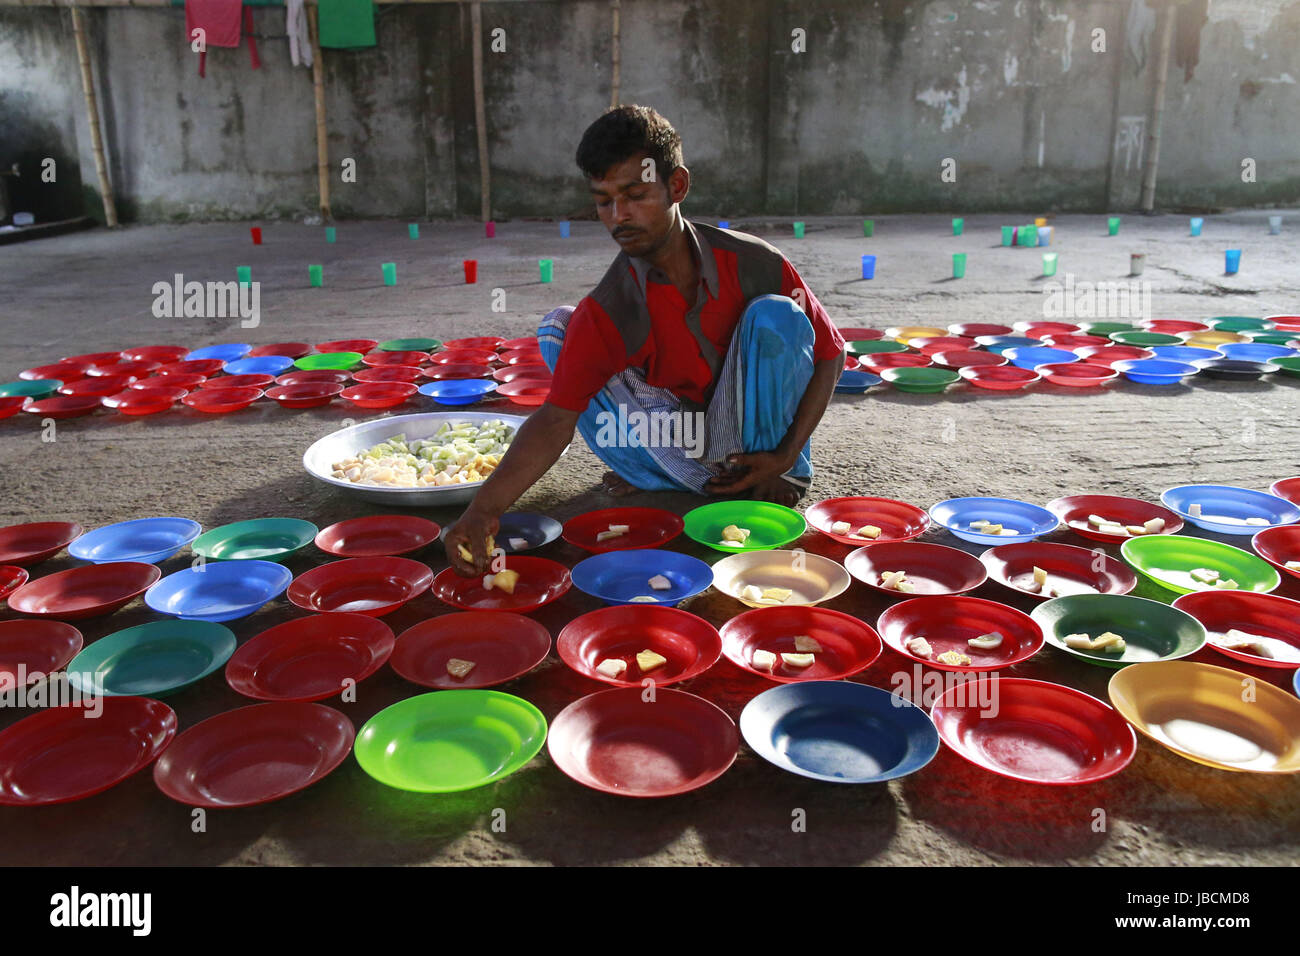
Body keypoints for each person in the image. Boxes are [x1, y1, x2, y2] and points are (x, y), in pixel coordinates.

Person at [445, 104, 845, 575]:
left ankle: (761, 476)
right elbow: (555, 420)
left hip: (761, 447)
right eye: (603, 201)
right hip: (688, 434)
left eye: (635, 195)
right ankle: (668, 472)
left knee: (776, 316)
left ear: (676, 186)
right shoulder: (613, 307)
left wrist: (784, 453)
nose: (619, 216)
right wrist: (483, 510)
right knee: (561, 328)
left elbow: (830, 355)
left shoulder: (756, 263)